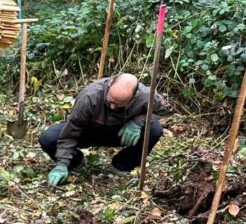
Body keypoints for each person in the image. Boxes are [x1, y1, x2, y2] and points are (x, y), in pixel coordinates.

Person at [40, 73, 169, 186]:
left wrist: (138, 122)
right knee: (48, 138)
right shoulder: (89, 97)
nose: (112, 107)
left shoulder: (146, 96)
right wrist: (62, 163)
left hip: (120, 133)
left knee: (155, 130)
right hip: (89, 131)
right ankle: (76, 161)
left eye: (119, 104)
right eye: (110, 100)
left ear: (134, 96)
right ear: (109, 86)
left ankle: (122, 165)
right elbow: (72, 131)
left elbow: (164, 109)